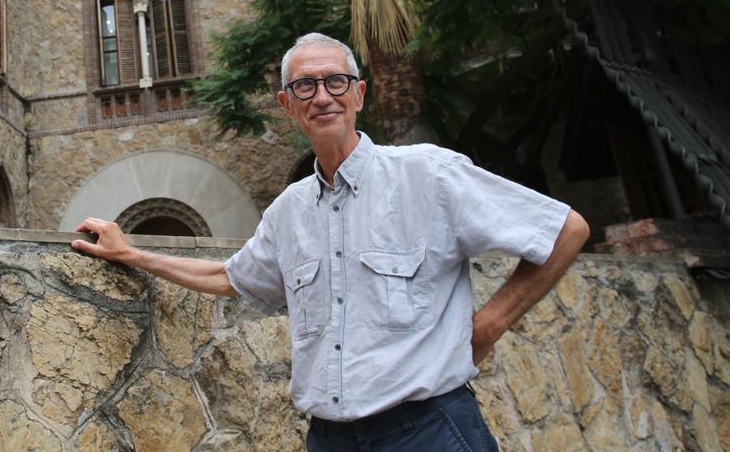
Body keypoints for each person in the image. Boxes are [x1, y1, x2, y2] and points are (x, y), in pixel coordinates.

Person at [71, 32, 589, 452]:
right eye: (305, 87)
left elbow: (565, 230)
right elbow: (230, 276)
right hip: (330, 438)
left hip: (429, 431)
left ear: (359, 94)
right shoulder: (289, 211)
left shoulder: (429, 175)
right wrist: (131, 254)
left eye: (336, 81)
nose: (322, 96)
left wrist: (488, 326)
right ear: (286, 105)